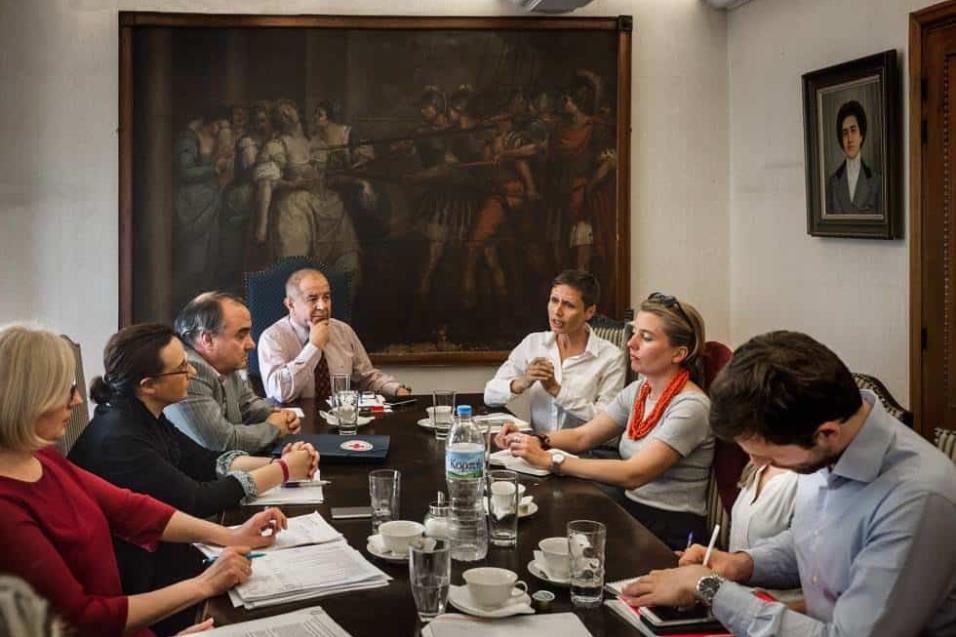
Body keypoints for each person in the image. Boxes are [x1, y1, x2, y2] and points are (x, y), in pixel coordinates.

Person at [623, 331, 956, 636]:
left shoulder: (918, 499)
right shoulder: (828, 447)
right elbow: (813, 540)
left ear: (826, 433)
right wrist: (741, 564)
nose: (757, 466)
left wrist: (709, 588)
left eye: (769, 458)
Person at [0, 324, 287, 637]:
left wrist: (230, 537)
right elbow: (83, 618)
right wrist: (204, 585)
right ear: (27, 398)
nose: (79, 400)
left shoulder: (42, 458)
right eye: (66, 389)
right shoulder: (7, 507)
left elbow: (132, 509)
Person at [69, 323, 319, 604]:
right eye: (181, 368)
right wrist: (283, 471)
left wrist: (282, 461)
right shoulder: (120, 439)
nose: (193, 372)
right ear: (148, 385)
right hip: (135, 580)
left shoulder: (143, 414)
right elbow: (197, 499)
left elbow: (207, 461)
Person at [495, 292, 714, 549]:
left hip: (669, 529)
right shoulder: (639, 391)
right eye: (633, 333)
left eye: (645, 337)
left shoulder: (691, 407)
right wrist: (534, 440)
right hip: (633, 510)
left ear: (678, 353)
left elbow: (634, 473)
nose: (631, 343)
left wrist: (552, 460)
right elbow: (583, 436)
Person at [483, 269, 625, 433]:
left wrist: (557, 391)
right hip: (537, 448)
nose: (557, 311)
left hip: (588, 453)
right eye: (554, 300)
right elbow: (490, 395)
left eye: (569, 305)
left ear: (589, 312)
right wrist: (522, 382)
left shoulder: (611, 357)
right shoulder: (533, 343)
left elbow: (606, 421)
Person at [164, 292, 301, 453]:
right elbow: (223, 442)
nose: (251, 344)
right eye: (241, 335)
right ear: (207, 339)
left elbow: (248, 404)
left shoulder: (225, 365)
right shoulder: (189, 371)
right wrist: (274, 428)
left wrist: (279, 416)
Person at [258, 268, 411, 402]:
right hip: (295, 425)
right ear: (290, 304)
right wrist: (314, 346)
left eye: (326, 297)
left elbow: (367, 377)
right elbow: (279, 393)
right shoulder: (272, 337)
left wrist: (397, 390)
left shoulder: (343, 331)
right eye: (312, 299)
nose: (323, 306)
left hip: (342, 420)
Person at [825, 100, 882, 214]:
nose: (850, 139)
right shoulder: (833, 182)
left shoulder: (876, 181)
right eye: (845, 133)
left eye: (853, 130)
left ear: (861, 135)